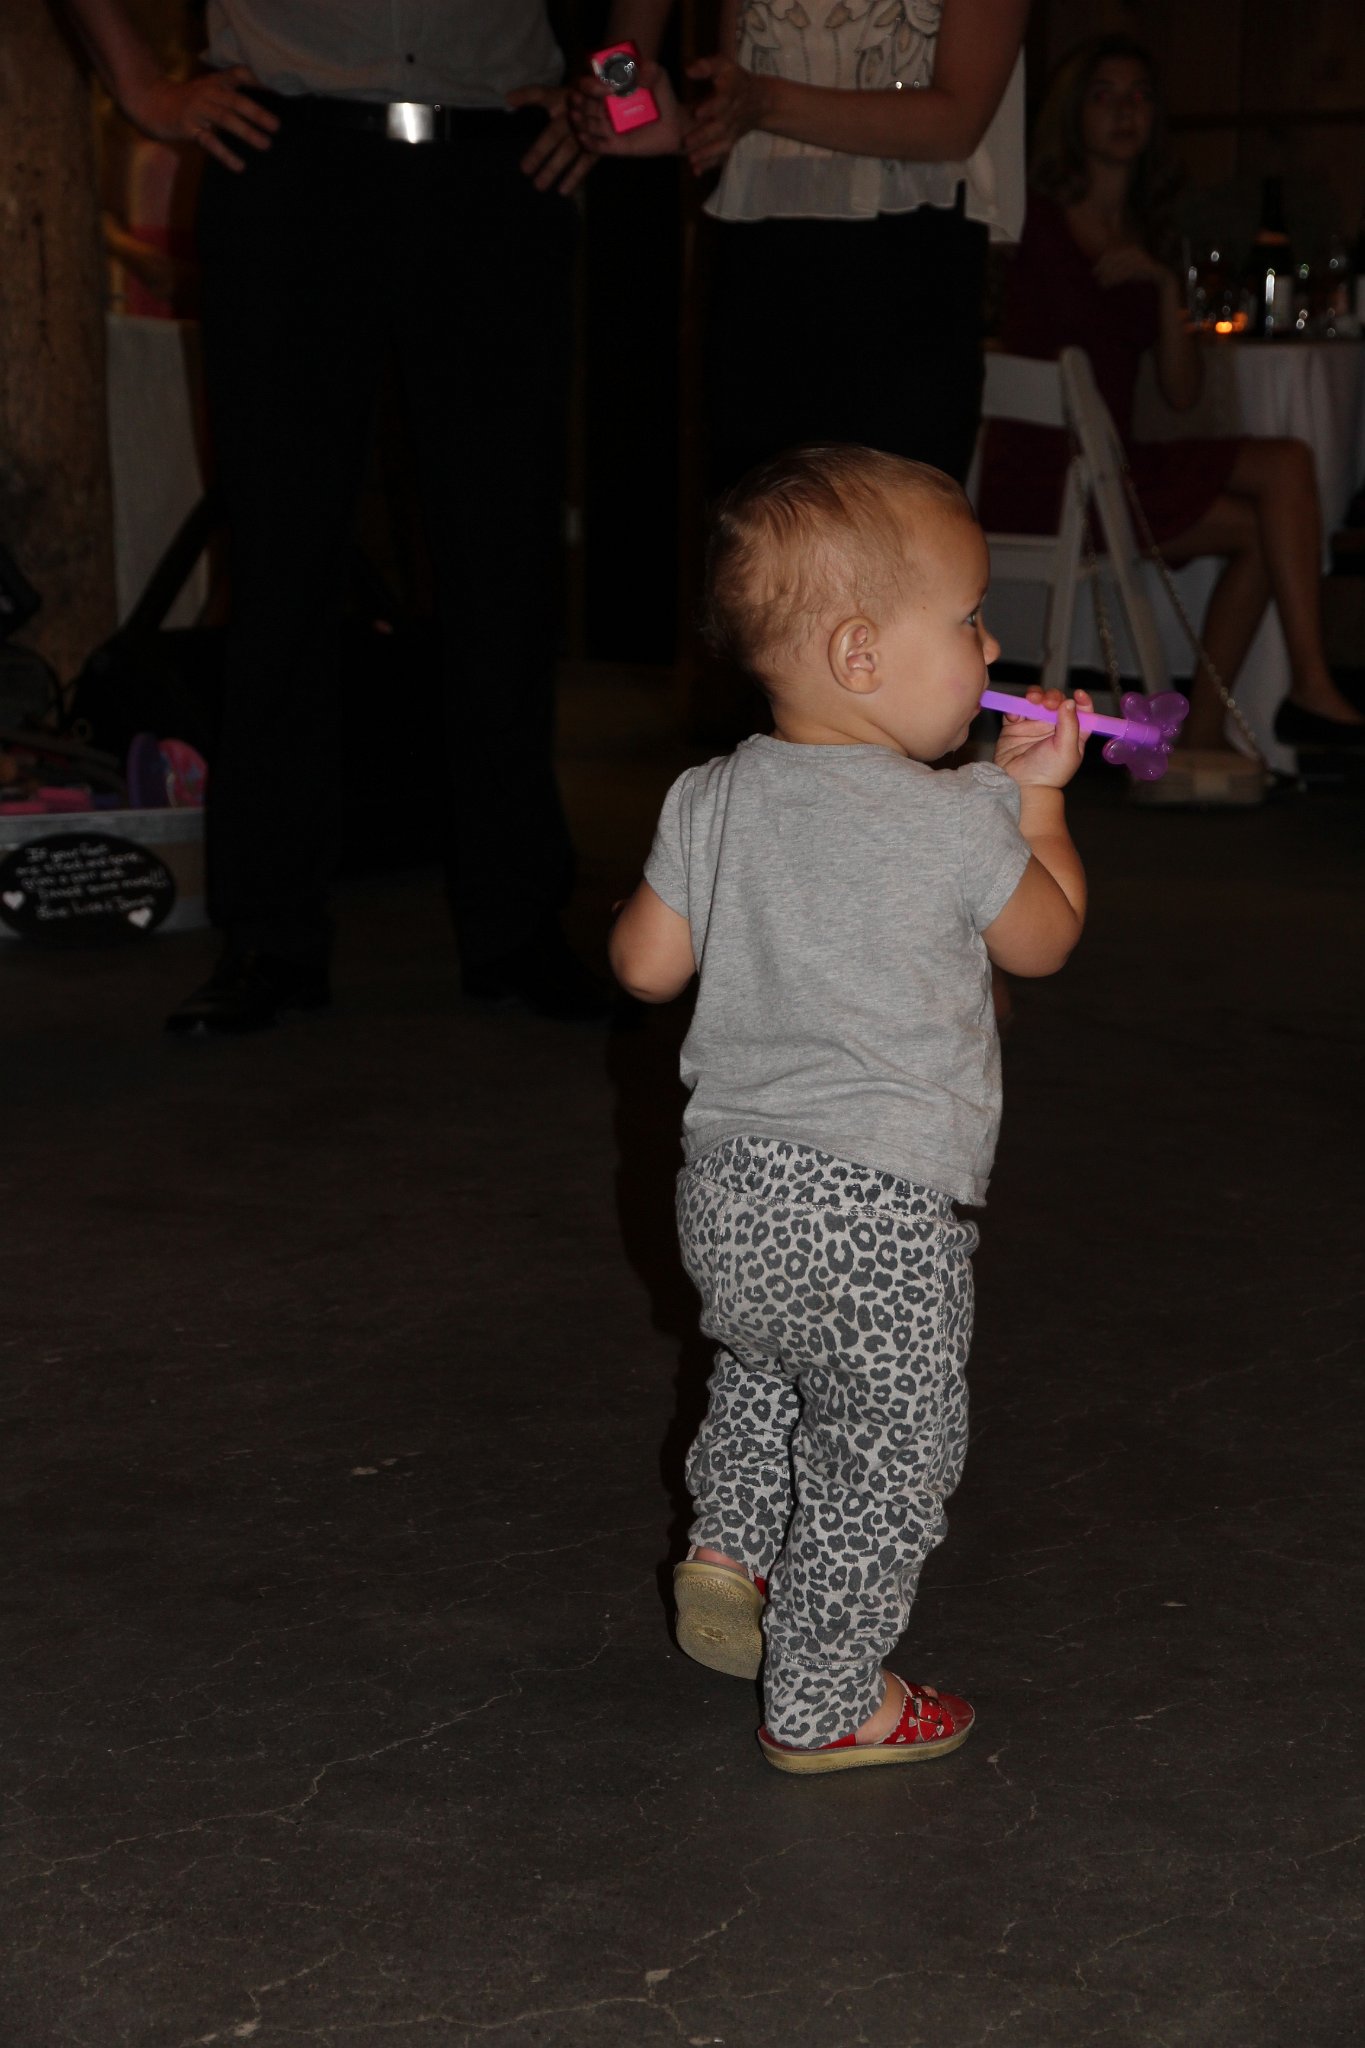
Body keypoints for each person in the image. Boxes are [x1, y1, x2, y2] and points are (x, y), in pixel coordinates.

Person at [609, 444, 1087, 1770]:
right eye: (970, 619)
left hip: (727, 1198)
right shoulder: (958, 818)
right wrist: (1041, 804)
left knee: (766, 1363)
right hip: (881, 1213)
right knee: (886, 1450)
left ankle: (731, 1547)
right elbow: (1044, 939)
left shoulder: (708, 796)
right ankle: (826, 1696)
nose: (991, 649)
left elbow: (643, 966)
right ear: (862, 654)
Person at [63, 0, 669, 1031]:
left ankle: (519, 925)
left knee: (505, 565)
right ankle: (269, 936)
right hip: (287, 151)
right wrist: (142, 89)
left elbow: (631, 33)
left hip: (498, 159)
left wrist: (614, 95)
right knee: (281, 565)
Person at [977, 35, 1364, 755]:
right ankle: (1279, 700)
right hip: (1048, 475)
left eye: (1140, 97)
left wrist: (1161, 285)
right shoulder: (1035, 220)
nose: (1125, 111)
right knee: (1271, 498)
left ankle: (1247, 714)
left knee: (1283, 474)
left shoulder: (1148, 230)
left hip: (1109, 467)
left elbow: (1181, 393)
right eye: (1105, 96)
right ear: (1074, 114)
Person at [574, 0, 1030, 491]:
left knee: (888, 527)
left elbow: (957, 123)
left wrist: (762, 103)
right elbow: (720, 99)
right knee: (755, 524)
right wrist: (637, 106)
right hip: (759, 273)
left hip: (905, 275)